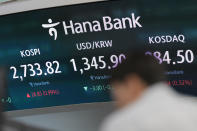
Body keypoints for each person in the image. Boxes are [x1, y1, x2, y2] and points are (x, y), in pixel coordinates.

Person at [100, 52, 197, 131]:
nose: (116, 101)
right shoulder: (193, 109)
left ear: (132, 83)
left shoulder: (121, 123)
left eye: (115, 90)